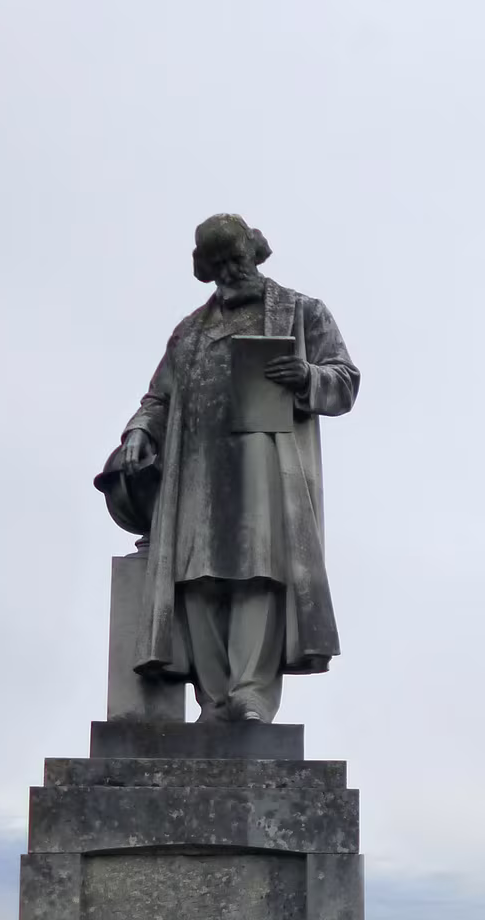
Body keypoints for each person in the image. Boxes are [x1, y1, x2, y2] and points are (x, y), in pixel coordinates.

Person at [109, 214, 359, 723]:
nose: (229, 271)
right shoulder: (188, 333)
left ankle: (250, 693)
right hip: (197, 467)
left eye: (235, 259)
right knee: (197, 577)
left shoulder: (301, 312)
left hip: (263, 464)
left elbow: (345, 380)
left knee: (257, 570)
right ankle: (215, 699)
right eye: (218, 263)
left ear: (255, 252)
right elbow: (158, 397)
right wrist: (139, 430)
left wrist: (305, 376)